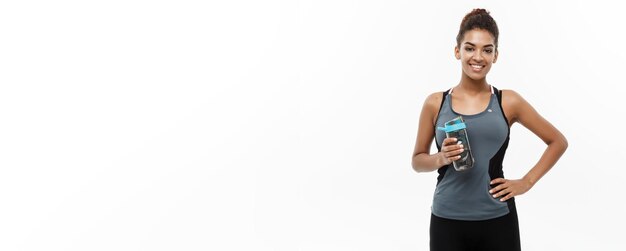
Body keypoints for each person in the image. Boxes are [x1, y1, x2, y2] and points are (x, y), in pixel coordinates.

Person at [411, 8, 568, 251]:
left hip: (498, 219)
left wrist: (526, 182)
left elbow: (558, 141)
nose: (478, 57)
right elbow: (417, 161)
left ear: (496, 55)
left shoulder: (508, 101)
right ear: (457, 51)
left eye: (487, 49)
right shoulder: (435, 103)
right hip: (447, 219)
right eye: (470, 48)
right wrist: (440, 157)